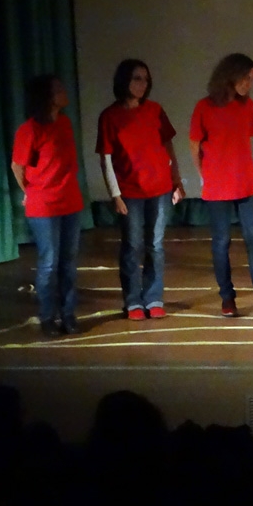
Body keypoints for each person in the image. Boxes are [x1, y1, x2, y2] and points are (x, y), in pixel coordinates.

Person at [189, 53, 253, 316]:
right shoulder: (204, 107)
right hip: (217, 185)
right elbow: (194, 145)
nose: (249, 84)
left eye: (252, 80)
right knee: (221, 242)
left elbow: (245, 139)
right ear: (231, 75)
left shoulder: (247, 106)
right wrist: (204, 175)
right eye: (246, 78)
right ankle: (227, 299)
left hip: (246, 182)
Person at [96, 59, 185, 321]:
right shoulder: (110, 116)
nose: (142, 84)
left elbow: (168, 146)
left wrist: (176, 181)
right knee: (132, 246)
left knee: (155, 246)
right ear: (124, 80)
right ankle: (133, 300)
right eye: (137, 78)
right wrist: (115, 194)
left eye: (146, 79)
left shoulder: (155, 110)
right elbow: (106, 159)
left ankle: (154, 297)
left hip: (160, 188)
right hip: (130, 192)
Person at [11, 74, 85, 336]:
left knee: (68, 263)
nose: (64, 92)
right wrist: (30, 191)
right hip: (44, 206)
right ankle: (47, 317)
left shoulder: (64, 123)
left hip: (70, 201)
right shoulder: (29, 130)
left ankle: (68, 315)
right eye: (58, 90)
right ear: (47, 97)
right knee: (49, 262)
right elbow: (17, 166)